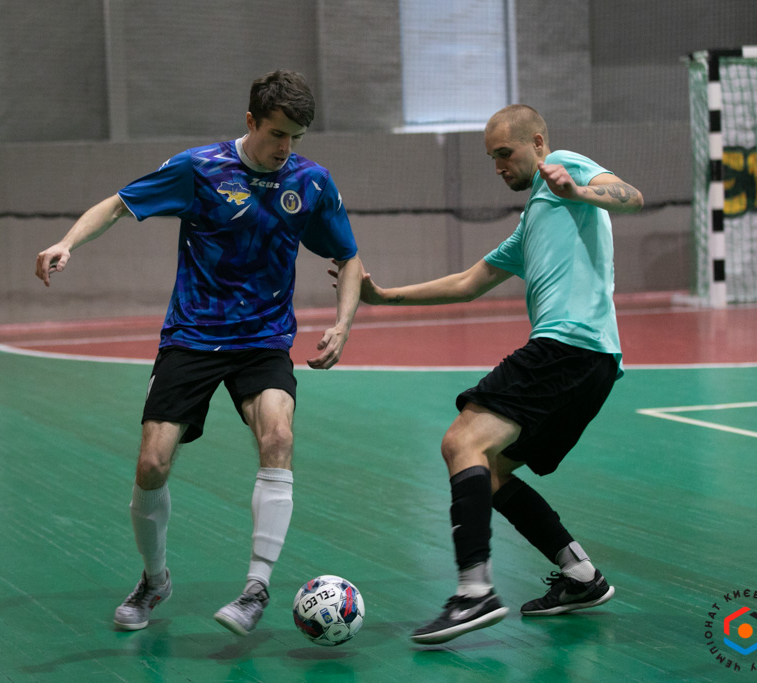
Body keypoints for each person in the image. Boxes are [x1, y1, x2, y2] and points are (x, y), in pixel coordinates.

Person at [35, 69, 363, 636]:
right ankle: (154, 579)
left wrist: (342, 324)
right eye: (276, 134)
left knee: (278, 437)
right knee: (152, 464)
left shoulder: (311, 182)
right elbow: (117, 205)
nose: (285, 148)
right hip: (193, 336)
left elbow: (349, 256)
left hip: (263, 340)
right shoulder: (200, 168)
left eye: (296, 137)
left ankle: (256, 588)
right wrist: (67, 242)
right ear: (251, 121)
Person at [344, 104, 643, 645]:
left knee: (462, 442)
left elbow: (631, 196)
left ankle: (474, 592)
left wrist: (579, 190)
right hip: (594, 363)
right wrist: (383, 297)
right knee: (493, 471)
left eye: (505, 153)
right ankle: (580, 575)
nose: (499, 166)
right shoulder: (532, 224)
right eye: (492, 159)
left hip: (566, 347)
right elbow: (469, 281)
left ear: (538, 143)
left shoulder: (567, 168)